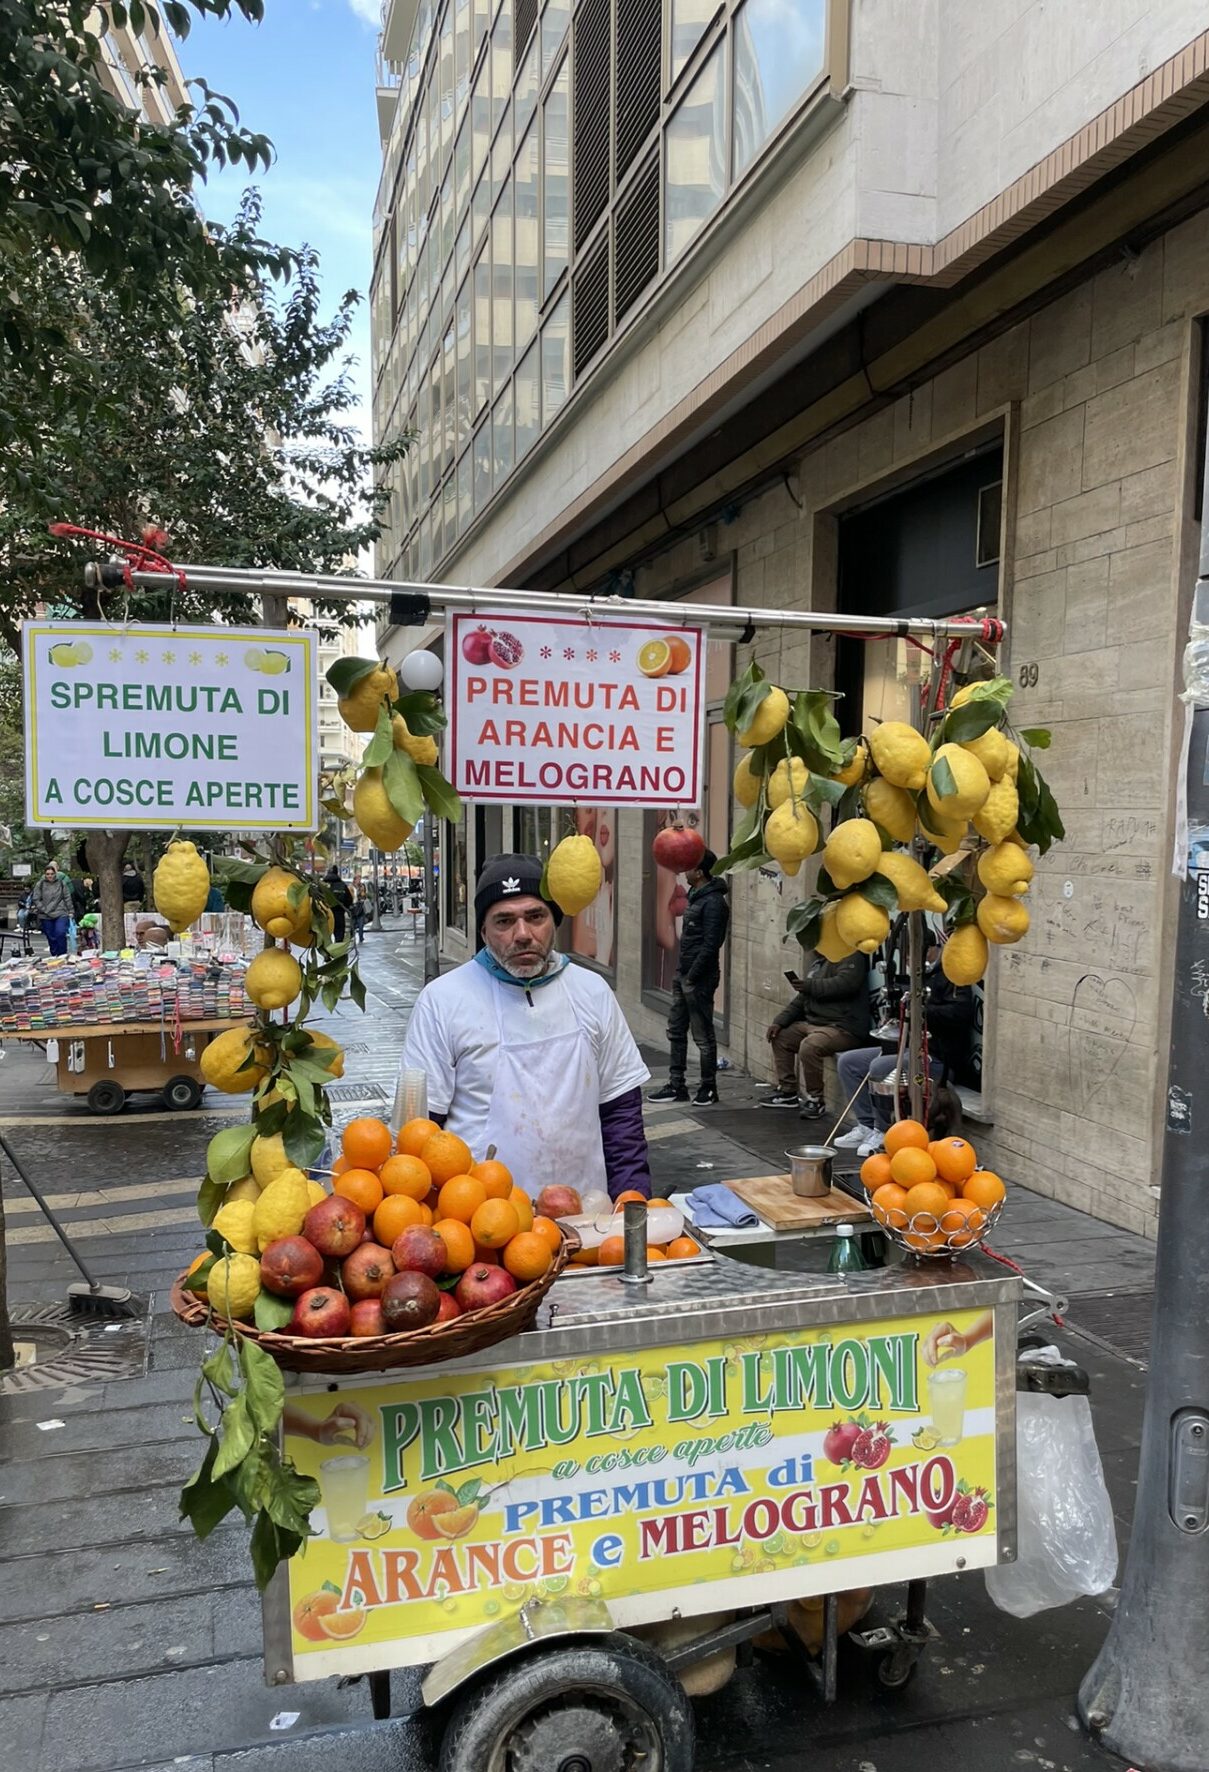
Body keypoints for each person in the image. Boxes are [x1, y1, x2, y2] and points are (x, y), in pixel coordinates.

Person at [399, 853, 653, 1202]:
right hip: (481, 1223)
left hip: (586, 1214)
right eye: (504, 921)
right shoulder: (442, 1001)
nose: (522, 934)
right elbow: (419, 1132)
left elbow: (621, 1113)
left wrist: (632, 1204)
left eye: (535, 917)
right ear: (483, 931)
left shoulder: (592, 992)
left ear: (555, 920)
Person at [833, 954, 978, 1156]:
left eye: (913, 953)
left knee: (879, 1066)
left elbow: (959, 1013)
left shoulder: (952, 976)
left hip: (937, 1056)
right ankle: (866, 1125)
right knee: (850, 1062)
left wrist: (920, 1008)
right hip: (909, 1047)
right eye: (907, 954)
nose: (909, 957)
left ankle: (883, 1131)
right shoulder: (916, 974)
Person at [648, 851, 729, 1107]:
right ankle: (676, 1085)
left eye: (689, 866)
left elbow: (710, 945)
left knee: (703, 1036)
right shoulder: (695, 896)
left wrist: (692, 977)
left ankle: (708, 1088)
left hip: (699, 978)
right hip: (684, 975)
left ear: (701, 871)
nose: (684, 870)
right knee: (676, 1030)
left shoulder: (714, 902)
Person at [761, 953, 870, 1117]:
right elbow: (802, 998)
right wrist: (779, 1021)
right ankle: (788, 1091)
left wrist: (809, 986)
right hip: (815, 1023)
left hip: (842, 1026)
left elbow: (846, 984)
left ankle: (815, 1099)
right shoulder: (820, 963)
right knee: (781, 1036)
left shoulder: (852, 956)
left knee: (810, 1045)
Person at [28, 863, 75, 956]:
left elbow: (67, 897)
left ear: (55, 874)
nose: (50, 876)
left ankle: (62, 954)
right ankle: (54, 955)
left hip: (60, 912)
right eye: (48, 874)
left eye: (52, 873)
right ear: (45, 875)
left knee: (60, 933)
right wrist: (43, 908)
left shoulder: (61, 883)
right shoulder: (40, 884)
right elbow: (36, 898)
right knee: (51, 937)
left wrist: (71, 911)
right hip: (45, 914)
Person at [324, 866, 354, 944]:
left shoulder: (322, 885)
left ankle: (327, 954)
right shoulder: (342, 885)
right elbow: (349, 900)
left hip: (325, 915)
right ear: (337, 873)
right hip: (339, 914)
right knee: (339, 937)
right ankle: (337, 954)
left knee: (326, 937)